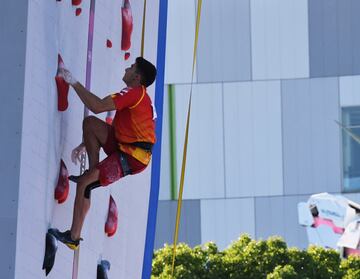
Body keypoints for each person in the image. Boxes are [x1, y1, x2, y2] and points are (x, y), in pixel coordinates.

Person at [54, 57, 157, 250]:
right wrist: (87, 143)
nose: (127, 67)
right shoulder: (138, 96)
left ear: (136, 76)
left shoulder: (134, 93)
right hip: (126, 146)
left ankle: (73, 238)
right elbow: (119, 126)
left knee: (85, 184)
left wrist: (72, 81)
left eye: (132, 67)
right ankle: (92, 172)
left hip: (133, 157)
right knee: (91, 124)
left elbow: (98, 106)